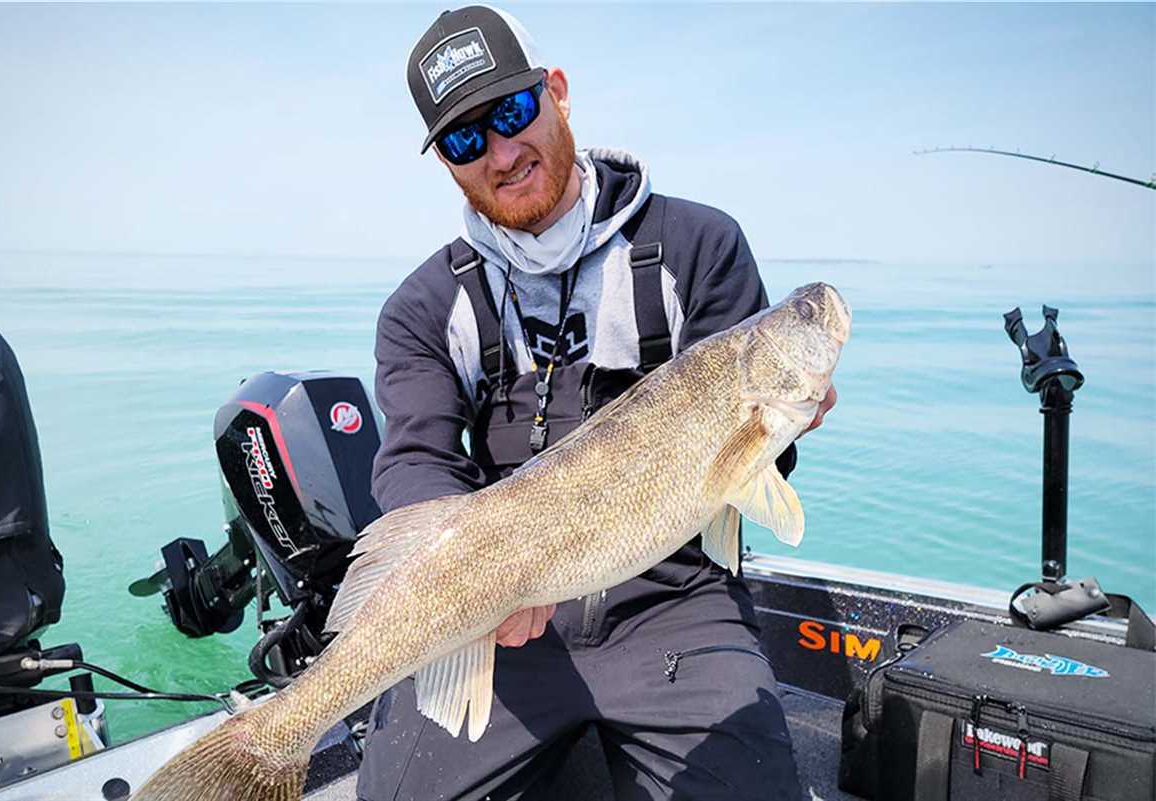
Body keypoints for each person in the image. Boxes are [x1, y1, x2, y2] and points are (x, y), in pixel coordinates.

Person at [357, 7, 836, 800]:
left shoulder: (699, 247)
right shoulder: (421, 308)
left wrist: (780, 429)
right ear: (444, 160)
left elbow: (755, 465)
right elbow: (414, 462)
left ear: (557, 92)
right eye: (464, 140)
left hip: (674, 599)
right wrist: (473, 589)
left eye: (511, 112)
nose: (502, 154)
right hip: (501, 614)